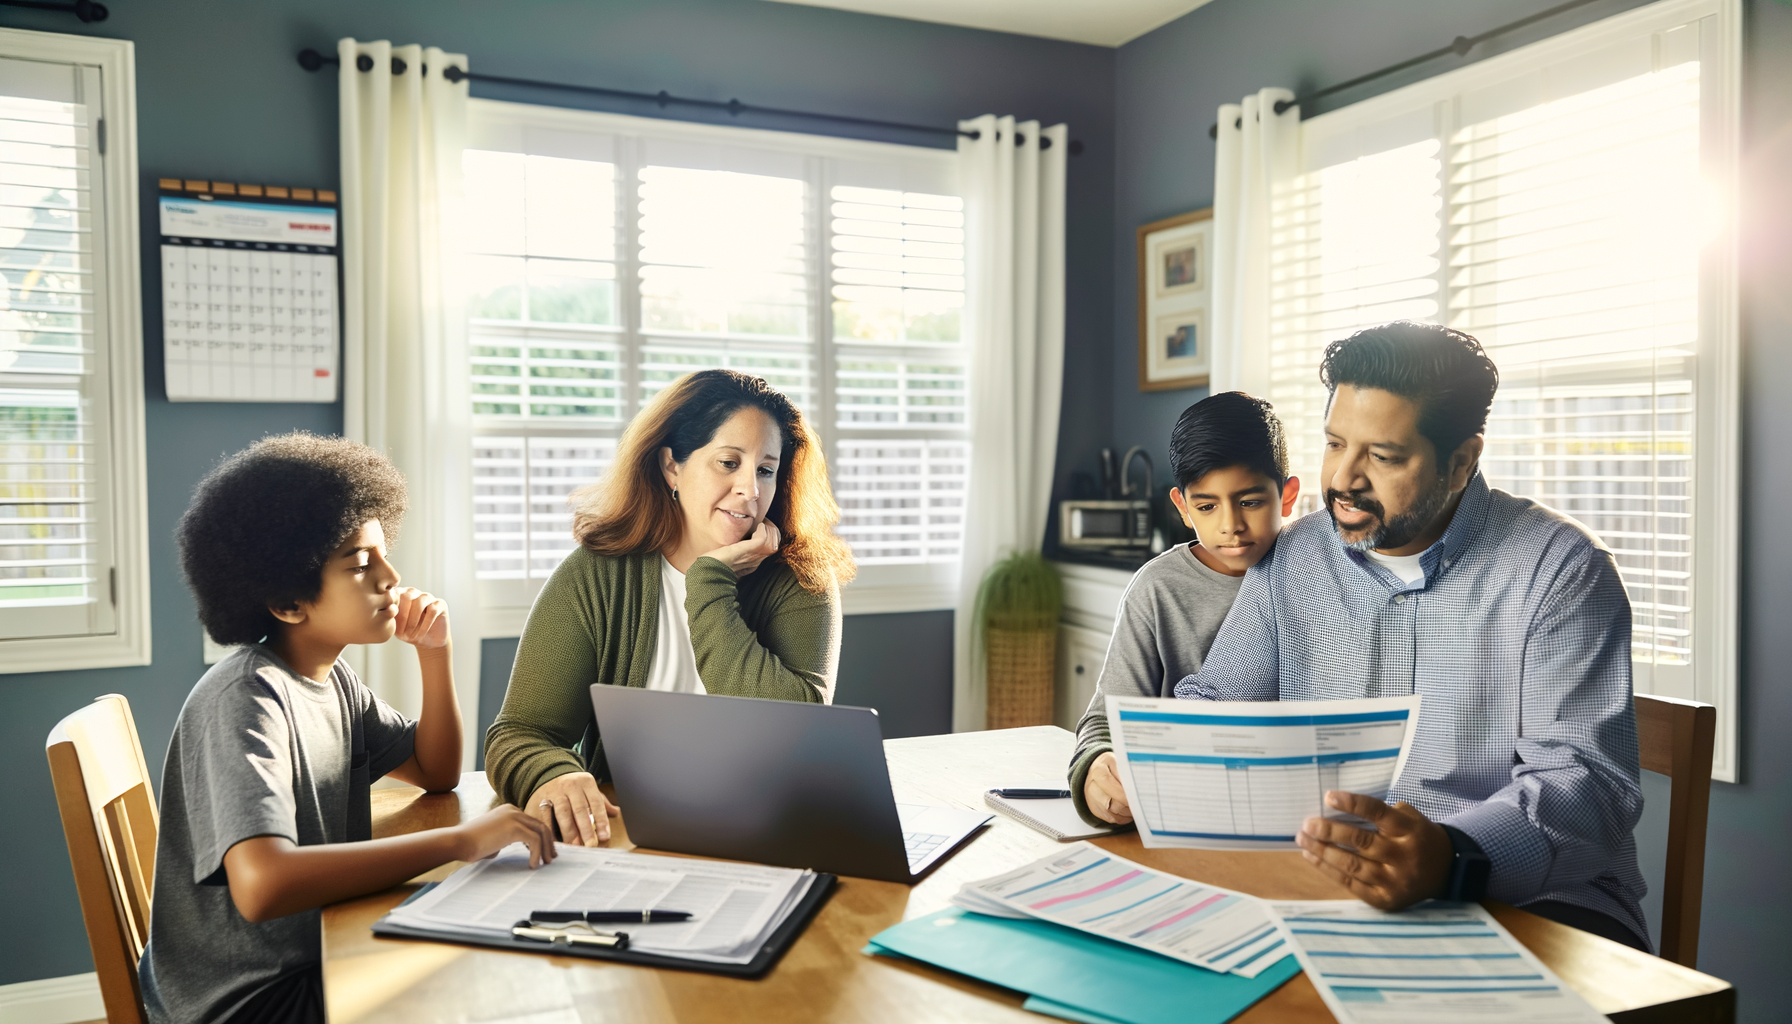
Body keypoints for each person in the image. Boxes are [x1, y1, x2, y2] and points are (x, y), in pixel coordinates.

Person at [1175, 321, 1650, 951]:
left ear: (1460, 462)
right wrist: (1137, 762)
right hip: (1326, 887)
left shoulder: (1559, 568)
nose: (1343, 479)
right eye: (1335, 443)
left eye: (1383, 456)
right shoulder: (1290, 558)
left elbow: (1586, 785)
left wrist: (1450, 856)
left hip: (1533, 905)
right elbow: (1218, 705)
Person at [140, 434, 554, 1024]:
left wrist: (434, 653)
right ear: (288, 601)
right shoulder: (247, 699)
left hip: (315, 949)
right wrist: (461, 842)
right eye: (361, 565)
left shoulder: (332, 680)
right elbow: (262, 885)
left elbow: (435, 770)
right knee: (482, 985)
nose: (391, 576)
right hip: (249, 1000)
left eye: (383, 554)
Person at [484, 369, 856, 845]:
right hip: (628, 835)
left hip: (768, 833)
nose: (750, 489)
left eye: (765, 470)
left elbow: (797, 737)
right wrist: (553, 775)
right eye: (728, 462)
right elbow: (519, 732)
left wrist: (709, 582)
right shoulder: (597, 573)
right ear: (671, 467)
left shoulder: (802, 576)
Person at [1070, 392, 1299, 827]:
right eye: (1207, 507)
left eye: (1250, 501)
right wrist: (1097, 770)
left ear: (1287, 496)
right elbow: (1105, 719)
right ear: (1183, 507)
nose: (1230, 525)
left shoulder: (1312, 573)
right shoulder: (1156, 589)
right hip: (1183, 812)